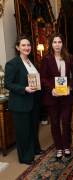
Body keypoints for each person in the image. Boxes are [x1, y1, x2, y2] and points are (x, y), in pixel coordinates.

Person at [4, 35, 43, 165]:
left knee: (33, 128)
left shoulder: (30, 62)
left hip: (33, 101)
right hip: (20, 103)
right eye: (23, 45)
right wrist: (24, 88)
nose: (27, 47)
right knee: (23, 131)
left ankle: (35, 149)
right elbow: (8, 84)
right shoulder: (12, 63)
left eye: (28, 45)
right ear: (18, 47)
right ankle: (25, 157)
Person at [40, 33, 73, 160]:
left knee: (65, 122)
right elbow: (43, 78)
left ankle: (66, 146)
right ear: (51, 44)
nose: (57, 44)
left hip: (66, 97)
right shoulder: (46, 59)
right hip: (52, 97)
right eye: (55, 42)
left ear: (62, 43)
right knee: (54, 123)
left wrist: (70, 87)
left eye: (59, 42)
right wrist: (51, 89)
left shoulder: (69, 57)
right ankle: (59, 147)